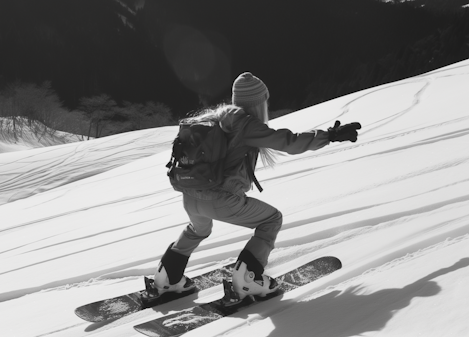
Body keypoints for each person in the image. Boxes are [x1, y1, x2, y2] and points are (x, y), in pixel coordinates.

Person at [153, 72, 361, 304]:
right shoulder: (245, 125)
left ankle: (167, 278)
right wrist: (329, 136)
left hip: (191, 197)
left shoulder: (215, 118)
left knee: (198, 230)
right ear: (258, 102)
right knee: (271, 220)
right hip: (220, 199)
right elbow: (288, 142)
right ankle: (247, 279)